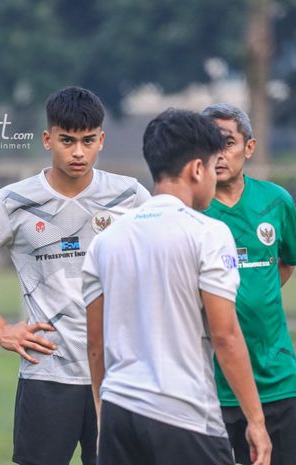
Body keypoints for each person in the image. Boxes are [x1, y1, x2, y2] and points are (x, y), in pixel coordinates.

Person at [0, 86, 151, 465]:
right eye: (67, 140)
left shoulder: (130, 196)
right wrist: (1, 329)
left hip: (115, 375)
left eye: (88, 141)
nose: (78, 152)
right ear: (47, 139)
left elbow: (162, 259)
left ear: (101, 140)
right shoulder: (14, 201)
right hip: (47, 374)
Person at [82, 108, 271, 465]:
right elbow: (226, 335)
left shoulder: (106, 241)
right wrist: (256, 421)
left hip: (119, 410)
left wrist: (103, 416)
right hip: (184, 413)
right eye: (213, 167)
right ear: (196, 169)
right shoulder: (209, 233)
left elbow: (95, 345)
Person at [200, 103, 296, 465]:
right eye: (208, 144)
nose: (218, 154)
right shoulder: (191, 211)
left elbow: (288, 260)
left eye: (226, 143)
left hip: (276, 376)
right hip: (210, 384)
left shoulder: (276, 201)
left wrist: (254, 299)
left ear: (249, 147)